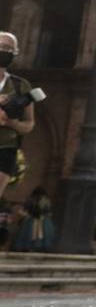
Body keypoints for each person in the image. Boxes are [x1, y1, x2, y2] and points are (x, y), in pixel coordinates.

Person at [0, 31, 36, 191]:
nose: (4, 52)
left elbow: (29, 123)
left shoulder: (21, 86)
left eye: (9, 49)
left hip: (5, 147)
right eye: (1, 47)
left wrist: (11, 123)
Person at [12, 186, 55, 252]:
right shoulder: (46, 200)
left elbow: (25, 209)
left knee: (28, 234)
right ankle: (39, 248)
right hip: (43, 220)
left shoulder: (31, 199)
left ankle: (29, 248)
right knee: (44, 234)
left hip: (31, 220)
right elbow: (48, 211)